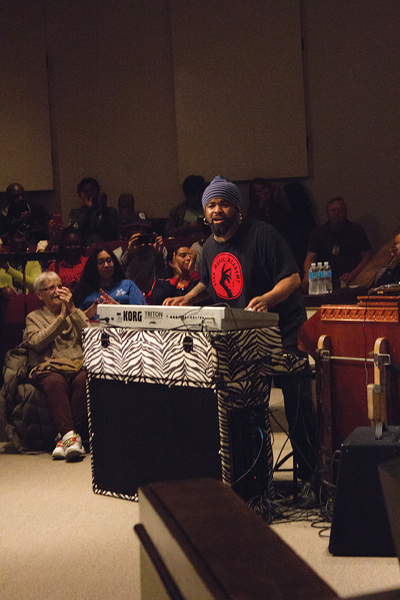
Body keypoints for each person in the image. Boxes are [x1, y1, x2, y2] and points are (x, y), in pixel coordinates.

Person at [165, 175, 318, 508]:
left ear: (236, 208)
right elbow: (208, 282)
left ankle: (310, 478)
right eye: (211, 205)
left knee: (297, 407)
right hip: (245, 338)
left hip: (285, 331)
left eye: (223, 203)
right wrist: (187, 298)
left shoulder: (263, 234)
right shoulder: (207, 247)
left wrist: (266, 299)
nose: (217, 210)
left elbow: (292, 278)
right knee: (249, 409)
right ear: (204, 213)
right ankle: (257, 479)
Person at [24, 271, 89, 461]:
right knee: (54, 381)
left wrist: (73, 310)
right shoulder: (33, 317)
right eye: (50, 288)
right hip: (49, 367)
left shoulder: (74, 313)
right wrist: (61, 317)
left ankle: (65, 438)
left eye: (59, 286)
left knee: (85, 377)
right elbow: (36, 342)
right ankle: (71, 436)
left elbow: (89, 336)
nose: (56, 291)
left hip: (76, 364)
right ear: (39, 295)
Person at [302, 197, 372, 291]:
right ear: (327, 214)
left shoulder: (356, 230)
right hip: (326, 280)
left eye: (340, 210)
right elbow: (310, 257)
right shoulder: (318, 233)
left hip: (353, 278)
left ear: (346, 213)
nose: (336, 213)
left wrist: (353, 274)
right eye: (333, 210)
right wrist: (308, 274)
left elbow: (367, 256)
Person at [73, 245, 146, 319]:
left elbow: (140, 315)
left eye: (109, 261)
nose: (106, 265)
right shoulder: (84, 290)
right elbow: (75, 320)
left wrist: (118, 307)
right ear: (94, 266)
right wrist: (94, 309)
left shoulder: (128, 285)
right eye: (101, 262)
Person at [247, 178, 303, 271]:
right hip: (263, 244)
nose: (263, 192)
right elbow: (254, 227)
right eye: (258, 191)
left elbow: (285, 224)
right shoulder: (253, 210)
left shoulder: (277, 205)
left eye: (264, 188)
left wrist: (277, 202)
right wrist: (261, 204)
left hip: (281, 242)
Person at [114, 221, 167, 296]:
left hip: (152, 295)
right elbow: (117, 279)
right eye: (135, 229)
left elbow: (163, 279)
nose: (140, 232)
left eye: (143, 229)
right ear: (128, 232)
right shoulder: (118, 253)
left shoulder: (158, 249)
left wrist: (158, 255)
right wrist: (129, 254)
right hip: (127, 294)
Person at [68, 177, 118, 246]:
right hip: (82, 251)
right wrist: (88, 211)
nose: (89, 193)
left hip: (104, 250)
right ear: (81, 194)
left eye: (92, 190)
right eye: (86, 191)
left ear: (98, 191)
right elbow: (74, 233)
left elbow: (110, 233)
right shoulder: (75, 213)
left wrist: (103, 209)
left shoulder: (110, 211)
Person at [0, 222, 42, 296]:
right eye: (18, 237)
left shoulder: (32, 261)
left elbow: (36, 285)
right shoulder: (2, 258)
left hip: (27, 302)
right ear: (9, 239)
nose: (22, 241)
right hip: (3, 301)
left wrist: (8, 269)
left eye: (25, 237)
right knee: (7, 292)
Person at [47, 227, 88, 292]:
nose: (73, 247)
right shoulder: (54, 267)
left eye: (76, 244)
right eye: (68, 244)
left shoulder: (88, 262)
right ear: (62, 246)